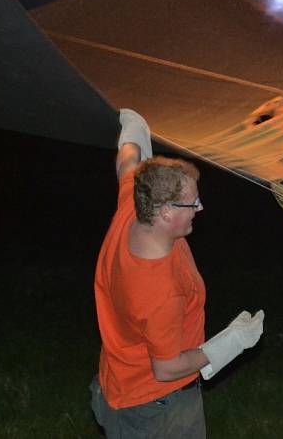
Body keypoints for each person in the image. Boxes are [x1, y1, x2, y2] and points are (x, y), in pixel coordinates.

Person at [89, 109, 264, 438]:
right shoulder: (160, 290)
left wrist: (134, 122)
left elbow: (128, 159)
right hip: (156, 410)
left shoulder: (134, 207)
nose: (200, 208)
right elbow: (166, 368)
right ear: (167, 212)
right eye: (193, 203)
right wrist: (230, 343)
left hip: (118, 381)